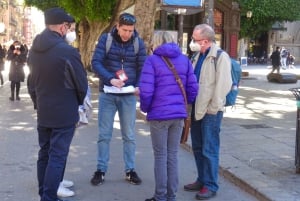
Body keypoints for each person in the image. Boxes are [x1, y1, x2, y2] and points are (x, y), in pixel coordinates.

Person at [27, 7, 88, 201]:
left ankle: (43, 193)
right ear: (62, 27)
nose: (69, 30)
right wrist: (77, 103)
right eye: (69, 27)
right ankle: (48, 197)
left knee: (45, 153)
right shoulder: (67, 51)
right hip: (64, 112)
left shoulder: (34, 49)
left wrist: (38, 102)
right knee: (57, 156)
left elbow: (31, 83)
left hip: (44, 110)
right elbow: (81, 84)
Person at [139, 31, 198, 201]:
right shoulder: (185, 60)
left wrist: (145, 108)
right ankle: (171, 196)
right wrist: (183, 103)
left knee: (160, 156)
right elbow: (193, 88)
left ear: (155, 43)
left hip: (159, 115)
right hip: (178, 115)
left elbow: (147, 91)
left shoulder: (152, 61)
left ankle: (160, 196)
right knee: (172, 155)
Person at [90, 12, 146, 186]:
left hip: (128, 96)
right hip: (107, 94)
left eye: (130, 30)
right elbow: (95, 63)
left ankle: (130, 170)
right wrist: (110, 79)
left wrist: (138, 85)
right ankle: (100, 170)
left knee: (129, 135)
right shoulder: (106, 39)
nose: (127, 34)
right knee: (104, 135)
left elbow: (143, 66)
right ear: (117, 26)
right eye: (124, 30)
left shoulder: (138, 43)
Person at [183, 24, 232, 200]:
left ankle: (211, 185)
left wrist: (212, 109)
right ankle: (202, 179)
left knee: (209, 149)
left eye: (195, 39)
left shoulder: (220, 57)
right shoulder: (197, 55)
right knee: (197, 147)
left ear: (205, 40)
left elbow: (223, 86)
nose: (192, 42)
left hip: (210, 111)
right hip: (196, 108)